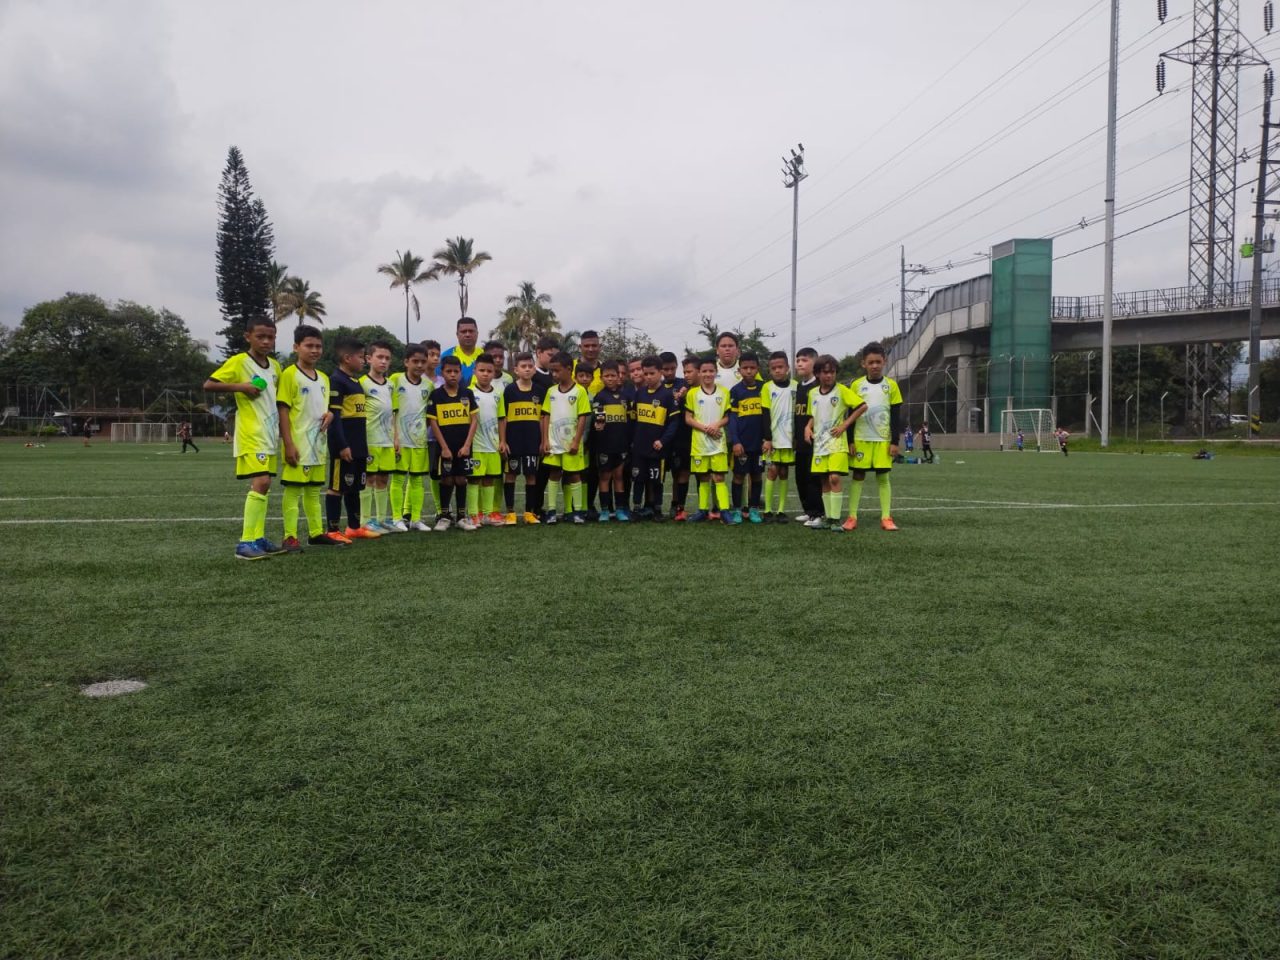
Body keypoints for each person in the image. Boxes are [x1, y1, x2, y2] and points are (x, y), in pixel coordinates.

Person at [203, 316, 286, 560]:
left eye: (270, 337)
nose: (266, 341)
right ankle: (245, 542)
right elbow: (209, 385)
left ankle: (258, 537)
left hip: (270, 433)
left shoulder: (275, 367)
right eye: (260, 336)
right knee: (261, 483)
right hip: (251, 432)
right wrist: (242, 387)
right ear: (248, 336)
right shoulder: (239, 361)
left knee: (265, 485)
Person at [277, 324, 343, 551]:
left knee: (314, 490)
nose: (314, 350)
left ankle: (315, 533)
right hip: (298, 444)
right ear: (296, 347)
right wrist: (288, 444)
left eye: (318, 346)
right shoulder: (289, 374)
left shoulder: (323, 378)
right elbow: (283, 410)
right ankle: (289, 537)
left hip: (318, 445)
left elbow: (326, 409)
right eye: (309, 346)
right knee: (294, 490)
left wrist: (331, 414)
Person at [803, 354, 866, 531]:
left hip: (837, 443)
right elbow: (812, 416)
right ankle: (828, 518)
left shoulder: (842, 390)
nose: (829, 376)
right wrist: (807, 428)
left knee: (834, 477)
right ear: (817, 374)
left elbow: (862, 406)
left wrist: (845, 425)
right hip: (820, 443)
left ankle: (836, 519)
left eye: (832, 372)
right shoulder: (812, 393)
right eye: (825, 372)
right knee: (824, 480)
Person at [846, 341, 903, 532]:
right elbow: (850, 416)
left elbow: (896, 416)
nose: (875, 366)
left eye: (878, 362)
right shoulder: (856, 385)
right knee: (858, 475)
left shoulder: (891, 386)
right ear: (864, 364)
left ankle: (886, 517)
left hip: (882, 441)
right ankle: (852, 516)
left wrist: (895, 442)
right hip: (861, 440)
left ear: (884, 361)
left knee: (883, 477)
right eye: (870, 362)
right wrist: (850, 440)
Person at [326, 336, 378, 541]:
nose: (364, 360)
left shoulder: (355, 382)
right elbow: (335, 417)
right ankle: (332, 530)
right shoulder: (337, 380)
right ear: (347, 358)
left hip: (359, 445)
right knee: (337, 487)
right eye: (360, 356)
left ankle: (354, 527)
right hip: (344, 446)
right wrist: (342, 445)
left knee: (355, 487)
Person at [427, 356, 478, 531]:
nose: (453, 375)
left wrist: (467, 445)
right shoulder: (437, 395)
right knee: (447, 479)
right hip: (445, 448)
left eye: (456, 371)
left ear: (460, 373)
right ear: (442, 372)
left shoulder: (467, 393)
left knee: (461, 479)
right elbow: (433, 422)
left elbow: (474, 420)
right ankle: (444, 516)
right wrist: (444, 447)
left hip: (463, 446)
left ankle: (462, 517)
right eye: (449, 371)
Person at [540, 351, 592, 524]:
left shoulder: (579, 392)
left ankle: (577, 512)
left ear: (568, 369)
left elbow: (583, 417)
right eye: (551, 371)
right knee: (554, 474)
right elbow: (545, 415)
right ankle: (552, 511)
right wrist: (545, 440)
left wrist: (577, 441)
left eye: (556, 371)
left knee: (574, 474)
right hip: (553, 442)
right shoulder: (551, 391)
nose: (553, 374)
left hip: (571, 443)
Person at [389, 343, 433, 531]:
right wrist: (395, 437)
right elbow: (391, 411)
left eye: (423, 361)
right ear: (406, 362)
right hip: (399, 440)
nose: (419, 365)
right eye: (415, 361)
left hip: (419, 441)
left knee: (417, 480)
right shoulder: (395, 380)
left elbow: (429, 415)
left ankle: (415, 518)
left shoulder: (428, 385)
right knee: (398, 479)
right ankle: (397, 518)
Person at [629, 355, 679, 519]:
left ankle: (656, 509)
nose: (648, 377)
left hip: (658, 448)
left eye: (652, 373)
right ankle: (637, 508)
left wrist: (662, 441)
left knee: (656, 480)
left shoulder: (667, 395)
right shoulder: (640, 393)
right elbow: (633, 419)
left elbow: (673, 423)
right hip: (639, 447)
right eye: (646, 374)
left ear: (660, 373)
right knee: (638, 479)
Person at [499, 352, 545, 525]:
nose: (527, 369)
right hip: (513, 442)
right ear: (515, 370)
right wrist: (503, 441)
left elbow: (542, 418)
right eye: (523, 366)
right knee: (510, 475)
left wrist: (543, 440)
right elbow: (503, 418)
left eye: (530, 366)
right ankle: (510, 513)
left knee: (531, 476)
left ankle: (529, 512)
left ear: (534, 369)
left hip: (532, 442)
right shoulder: (509, 390)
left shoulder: (539, 391)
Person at [685, 356, 733, 523]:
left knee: (719, 477)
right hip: (699, 444)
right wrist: (706, 429)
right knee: (704, 478)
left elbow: (727, 417)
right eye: (704, 371)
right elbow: (688, 418)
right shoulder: (692, 393)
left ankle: (725, 510)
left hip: (718, 443)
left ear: (716, 372)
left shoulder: (724, 392)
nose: (707, 374)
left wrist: (716, 425)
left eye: (711, 371)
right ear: (699, 373)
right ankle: (702, 511)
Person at [360, 341, 400, 534]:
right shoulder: (362, 383)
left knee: (384, 478)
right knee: (369, 478)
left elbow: (394, 413)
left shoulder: (391, 385)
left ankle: (382, 519)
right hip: (370, 440)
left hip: (387, 440)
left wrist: (396, 438)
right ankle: (365, 521)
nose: (384, 362)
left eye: (387, 358)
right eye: (380, 357)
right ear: (369, 359)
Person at [727, 352, 766, 523]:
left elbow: (767, 416)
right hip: (742, 443)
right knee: (738, 476)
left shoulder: (764, 388)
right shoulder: (735, 391)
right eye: (745, 368)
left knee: (756, 476)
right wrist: (735, 441)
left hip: (759, 443)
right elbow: (733, 419)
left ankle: (754, 509)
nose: (749, 371)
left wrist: (767, 438)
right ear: (740, 370)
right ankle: (736, 509)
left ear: (757, 369)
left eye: (752, 368)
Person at [468, 355, 506, 526]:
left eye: (489, 371)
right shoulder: (468, 393)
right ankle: (473, 514)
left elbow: (502, 419)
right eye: (481, 370)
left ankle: (488, 514)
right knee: (474, 479)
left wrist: (502, 441)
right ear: (475, 371)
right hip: (475, 446)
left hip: (493, 445)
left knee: (490, 479)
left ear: (494, 373)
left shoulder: (498, 394)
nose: (485, 374)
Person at [592, 361, 632, 521]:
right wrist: (598, 425)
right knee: (605, 477)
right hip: (605, 445)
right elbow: (598, 418)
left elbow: (629, 419)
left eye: (613, 375)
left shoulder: (625, 397)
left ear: (619, 376)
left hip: (621, 444)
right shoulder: (600, 397)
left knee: (619, 476)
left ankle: (620, 509)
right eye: (607, 376)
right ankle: (604, 511)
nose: (610, 378)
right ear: (601, 378)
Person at [760, 351, 796, 522]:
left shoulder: (796, 386)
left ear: (787, 368)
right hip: (773, 439)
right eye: (774, 368)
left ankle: (781, 511)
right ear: (770, 370)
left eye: (780, 367)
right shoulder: (767, 387)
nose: (777, 370)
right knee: (772, 471)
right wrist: (767, 438)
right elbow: (765, 414)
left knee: (783, 472)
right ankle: (767, 510)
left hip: (789, 439)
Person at [792, 347, 824, 521]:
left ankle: (818, 512)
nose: (799, 364)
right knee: (801, 477)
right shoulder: (798, 387)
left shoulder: (818, 386)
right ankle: (808, 510)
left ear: (814, 363)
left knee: (814, 478)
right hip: (800, 442)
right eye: (798, 360)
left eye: (804, 360)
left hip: (816, 441)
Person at [668, 355, 700, 520]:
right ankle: (679, 507)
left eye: (690, 371)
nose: (686, 375)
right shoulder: (681, 389)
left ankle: (705, 508)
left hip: (702, 437)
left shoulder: (706, 389)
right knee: (682, 472)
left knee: (703, 474)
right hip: (683, 438)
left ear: (699, 371)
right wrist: (678, 397)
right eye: (685, 371)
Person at [574, 361, 600, 517]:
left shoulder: (593, 397)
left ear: (592, 378)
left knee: (587, 475)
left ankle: (586, 506)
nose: (584, 379)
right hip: (573, 442)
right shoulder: (572, 394)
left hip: (588, 442)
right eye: (581, 375)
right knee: (573, 475)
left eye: (587, 376)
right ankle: (572, 507)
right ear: (575, 377)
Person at [438, 317, 486, 382]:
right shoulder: (446, 356)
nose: (467, 334)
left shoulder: (485, 355)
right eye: (463, 332)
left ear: (477, 333)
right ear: (457, 334)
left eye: (471, 331)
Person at [575, 330, 604, 395]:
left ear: (600, 347)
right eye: (586, 346)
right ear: (580, 347)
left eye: (594, 346)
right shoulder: (569, 367)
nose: (590, 349)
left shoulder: (605, 371)